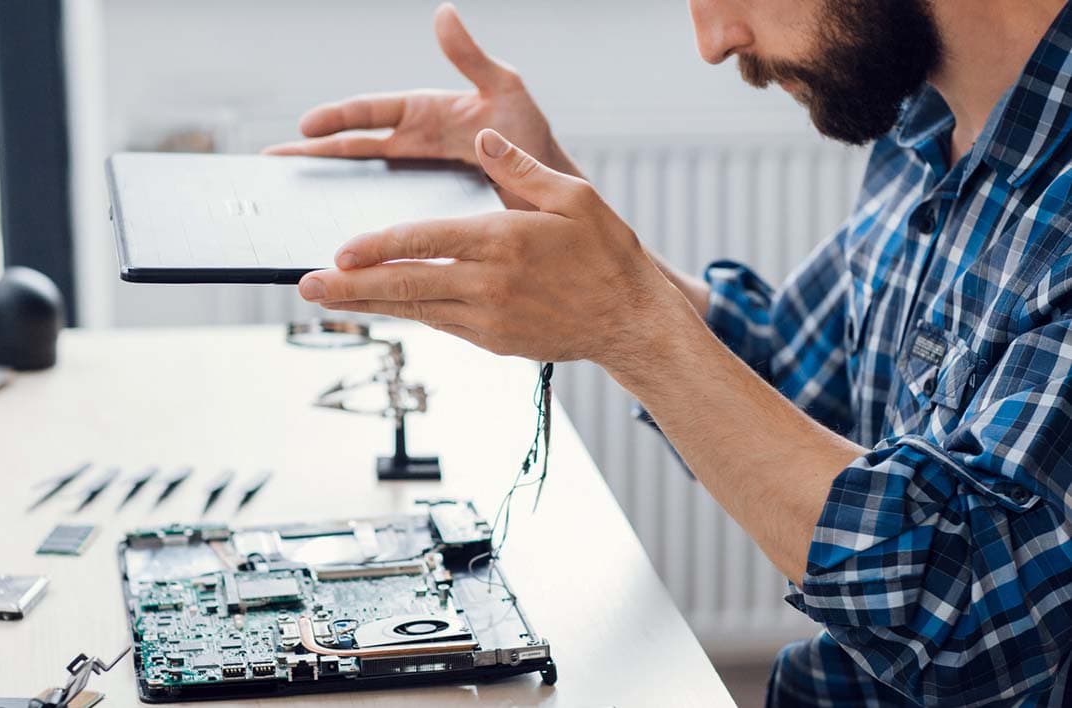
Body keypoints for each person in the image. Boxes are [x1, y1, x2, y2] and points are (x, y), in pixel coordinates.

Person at [264, 1, 1072, 704]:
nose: (713, 40)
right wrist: (557, 209)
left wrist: (629, 322)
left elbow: (973, 622)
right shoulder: (927, 126)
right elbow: (792, 372)